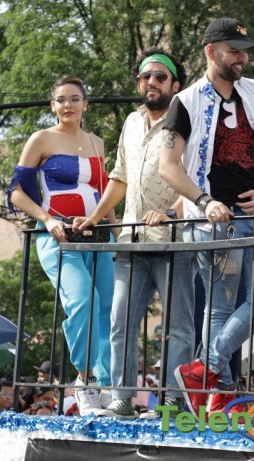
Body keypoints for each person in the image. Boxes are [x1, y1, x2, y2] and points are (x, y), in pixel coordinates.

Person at [161, 17, 254, 418]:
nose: (242, 59)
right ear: (211, 52)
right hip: (214, 221)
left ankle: (203, 369)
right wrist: (204, 200)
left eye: (245, 51)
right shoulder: (186, 101)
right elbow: (167, 165)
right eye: (234, 51)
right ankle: (220, 394)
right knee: (219, 309)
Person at [74, 48, 195, 419]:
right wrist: (94, 217)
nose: (151, 82)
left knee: (178, 326)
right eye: (146, 76)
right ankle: (122, 399)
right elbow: (120, 176)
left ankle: (172, 402)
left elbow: (198, 176)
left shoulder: (188, 118)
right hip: (131, 239)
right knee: (120, 323)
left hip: (174, 240)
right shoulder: (131, 121)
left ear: (175, 84)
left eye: (160, 76)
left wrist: (173, 213)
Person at [8, 74, 116, 417]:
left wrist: (118, 232)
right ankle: (85, 380)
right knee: (83, 300)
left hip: (100, 236)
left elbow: (105, 192)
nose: (68, 104)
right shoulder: (41, 139)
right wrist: (48, 219)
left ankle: (106, 386)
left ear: (86, 104)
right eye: (61, 99)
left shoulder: (97, 143)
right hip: (59, 237)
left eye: (75, 98)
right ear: (52, 106)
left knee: (109, 308)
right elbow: (16, 192)